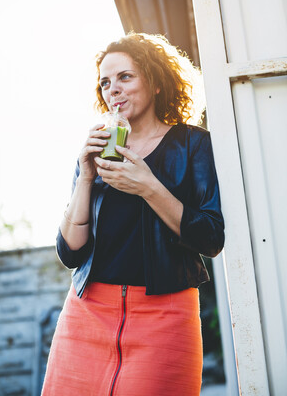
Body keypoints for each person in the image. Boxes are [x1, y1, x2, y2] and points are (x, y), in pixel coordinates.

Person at [41, 32, 224, 396]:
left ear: (155, 82)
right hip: (87, 313)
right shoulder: (97, 152)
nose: (114, 90)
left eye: (126, 77)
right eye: (105, 83)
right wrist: (85, 176)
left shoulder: (194, 144)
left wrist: (147, 185)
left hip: (165, 315)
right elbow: (70, 252)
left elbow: (211, 237)